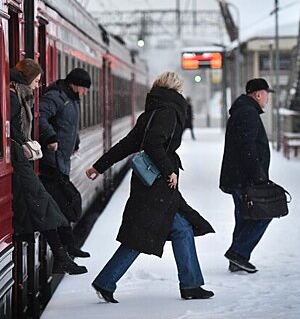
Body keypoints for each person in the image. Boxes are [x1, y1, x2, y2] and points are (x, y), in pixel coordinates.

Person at [85, 71, 215, 303]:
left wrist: (99, 166)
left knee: (169, 230)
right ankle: (190, 285)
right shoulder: (168, 112)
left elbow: (129, 144)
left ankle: (190, 284)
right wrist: (169, 170)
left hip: (150, 183)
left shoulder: (153, 112)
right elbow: (154, 144)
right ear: (176, 90)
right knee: (149, 233)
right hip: (159, 184)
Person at [10, 58, 87, 275]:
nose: (38, 86)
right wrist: (30, 142)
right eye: (36, 81)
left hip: (24, 161)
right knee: (47, 207)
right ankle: (63, 255)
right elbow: (11, 129)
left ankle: (64, 254)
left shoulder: (20, 94)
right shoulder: (15, 98)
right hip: (22, 161)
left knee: (47, 208)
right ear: (28, 78)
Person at [219, 78, 275, 273]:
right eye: (267, 94)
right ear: (259, 94)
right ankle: (238, 253)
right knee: (265, 213)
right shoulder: (248, 113)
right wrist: (258, 175)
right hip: (245, 178)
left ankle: (237, 260)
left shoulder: (243, 110)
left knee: (245, 218)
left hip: (239, 176)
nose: (267, 99)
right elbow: (248, 147)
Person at [39, 68, 92, 258]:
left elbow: (69, 125)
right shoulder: (56, 97)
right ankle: (67, 248)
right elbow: (40, 117)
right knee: (64, 204)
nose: (85, 93)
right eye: (85, 88)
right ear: (75, 85)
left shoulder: (72, 100)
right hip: (50, 163)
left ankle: (68, 247)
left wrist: (75, 141)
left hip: (62, 161)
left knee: (63, 205)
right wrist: (50, 137)